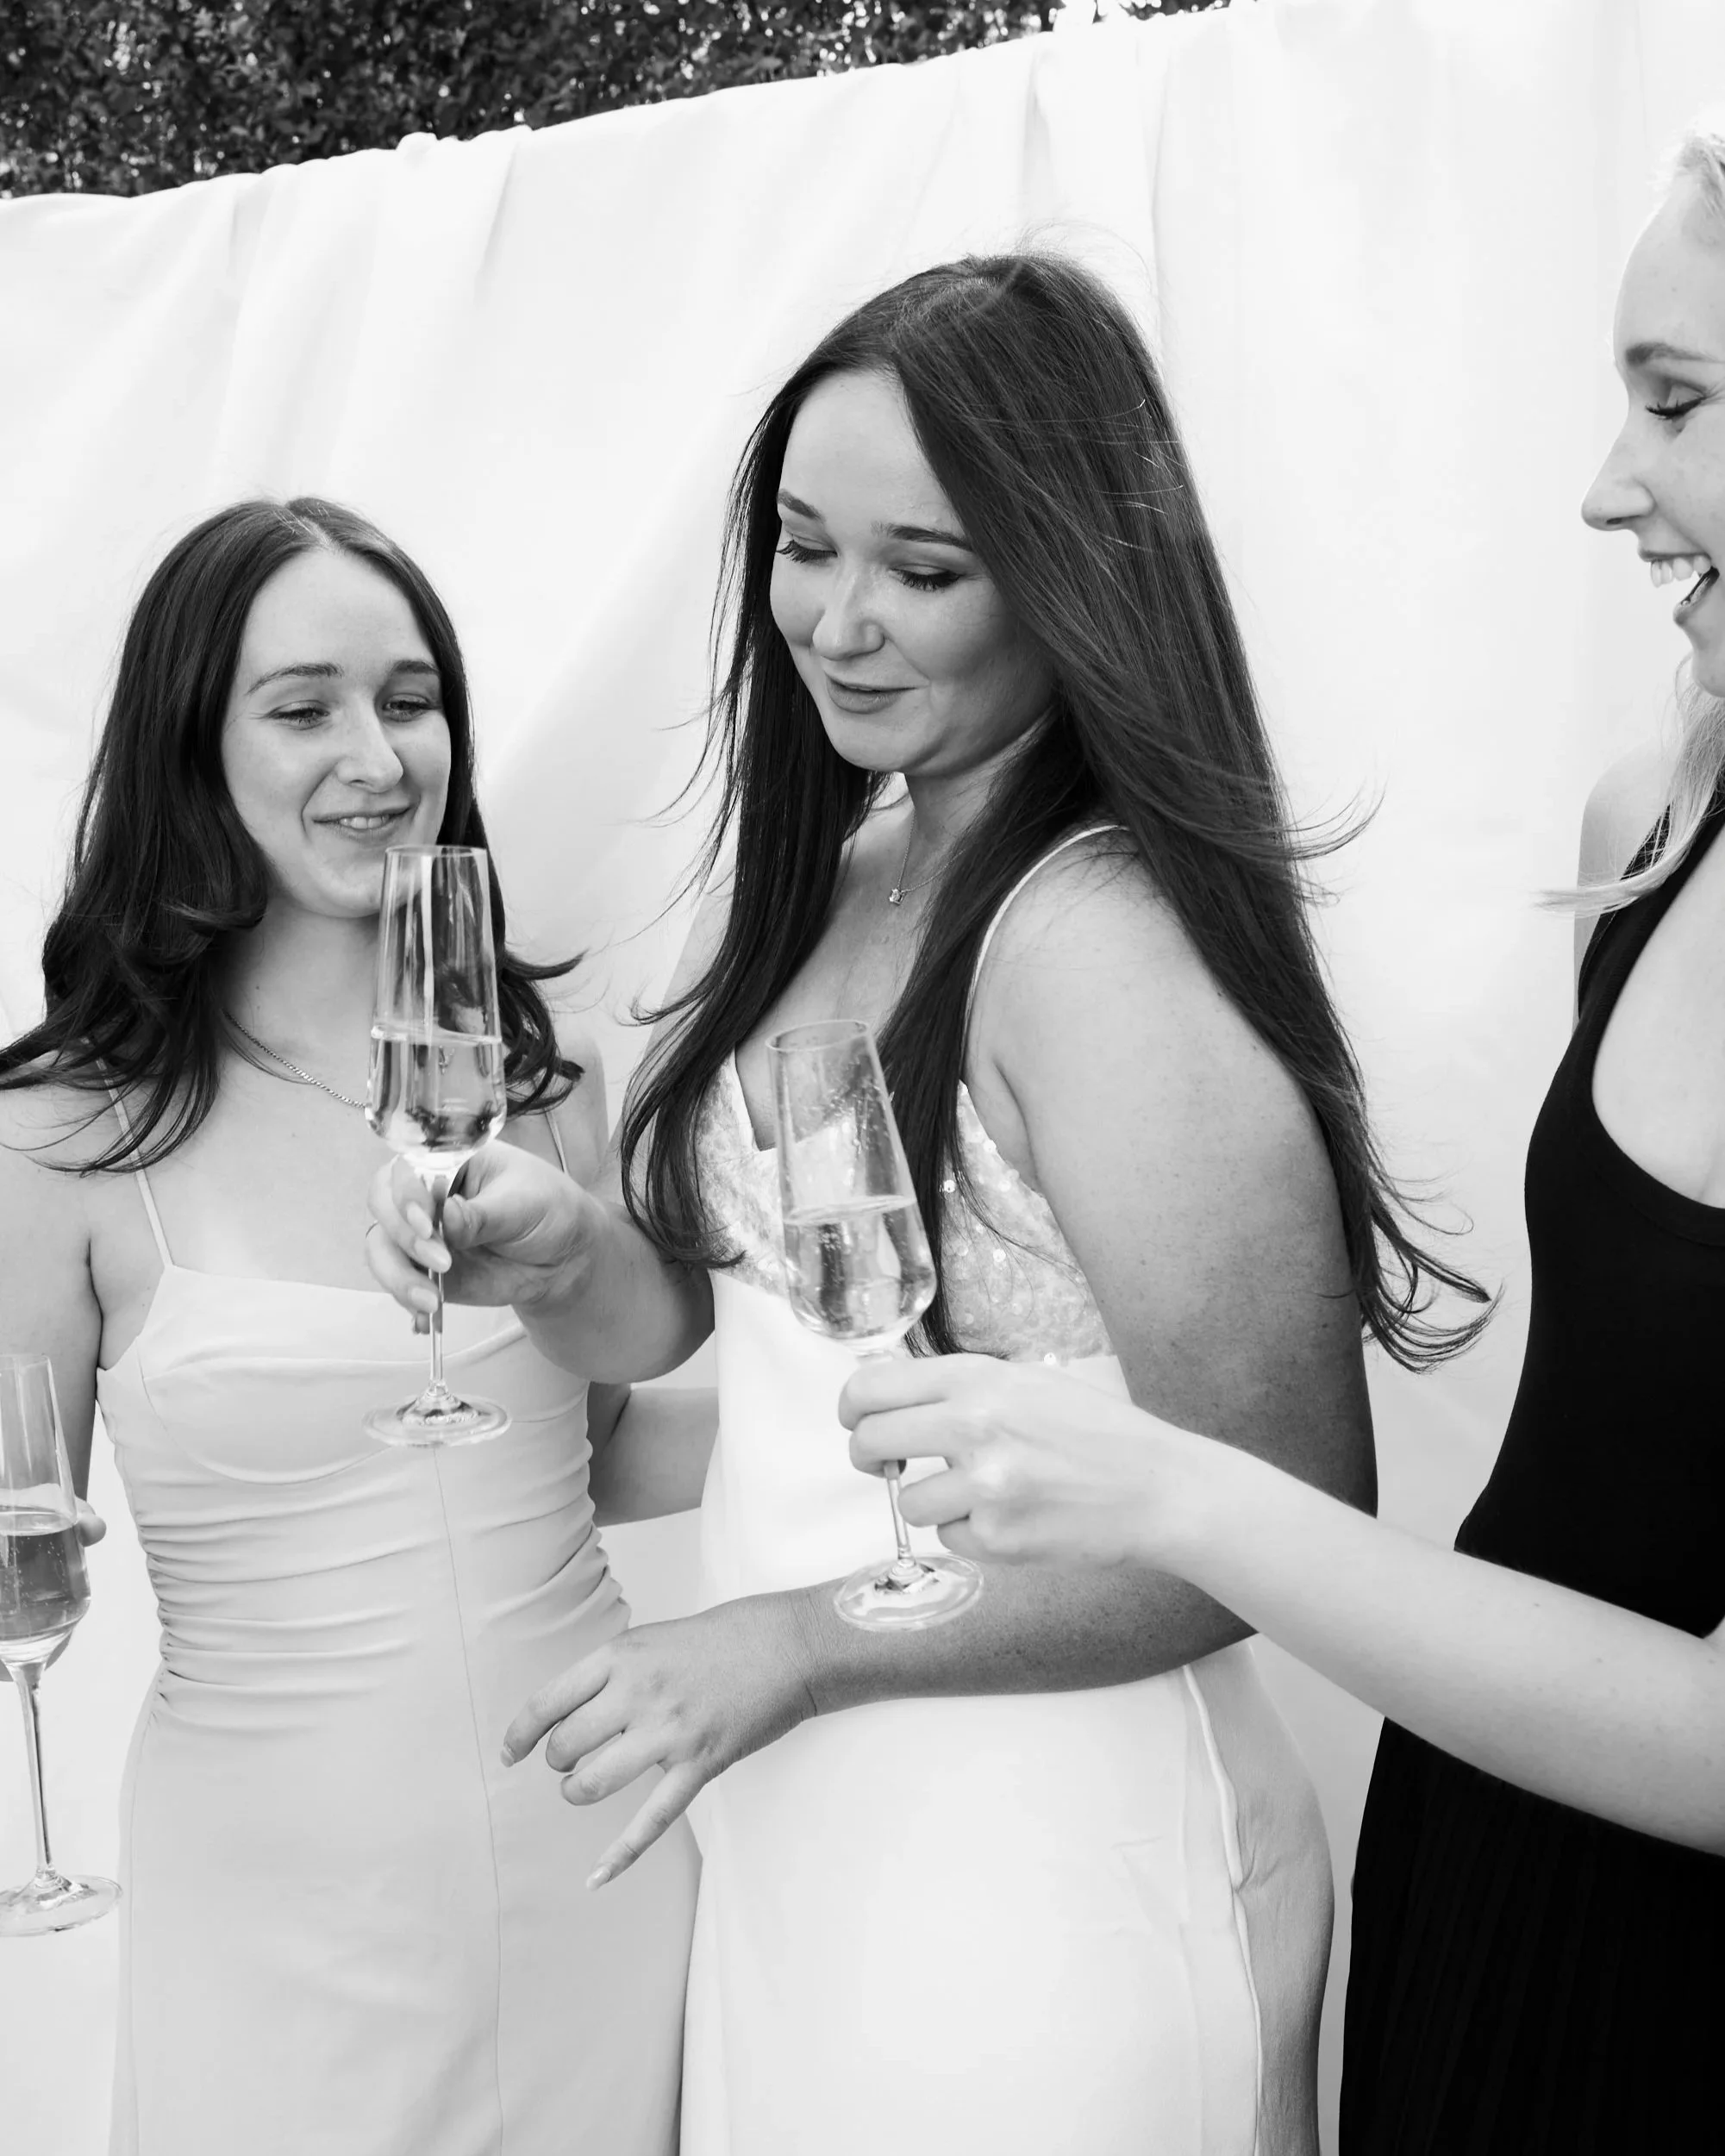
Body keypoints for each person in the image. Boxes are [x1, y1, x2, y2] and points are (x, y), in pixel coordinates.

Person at [369, 253, 1485, 2156]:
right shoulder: (864, 849)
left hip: (1048, 1872)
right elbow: (788, 1349)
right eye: (804, 545)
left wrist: (797, 1642)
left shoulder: (1102, 950)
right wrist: (572, 1266)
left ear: (1074, 576)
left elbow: (1278, 1527)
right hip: (818, 1846)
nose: (839, 618)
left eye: (926, 567)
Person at [841, 133, 1725, 2156]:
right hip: (1488, 1863)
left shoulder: (1098, 953)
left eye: (1672, 397)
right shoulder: (1655, 818)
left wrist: (1175, 1490)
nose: (1602, 480)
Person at [0, 498, 697, 2156]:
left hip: (596, 1845)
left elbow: (596, 1453)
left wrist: (871, 1452)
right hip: (276, 1912)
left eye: (412, 697)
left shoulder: (552, 1087)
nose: (377, 754)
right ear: (193, 747)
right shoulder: (55, 1139)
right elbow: (15, 1508)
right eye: (303, 706)